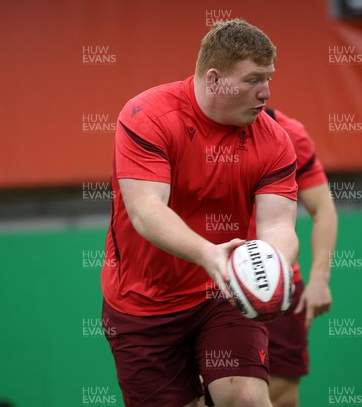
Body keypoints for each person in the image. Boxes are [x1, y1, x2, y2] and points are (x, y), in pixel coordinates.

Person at [100, 19, 298, 407]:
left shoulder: (274, 141)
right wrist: (211, 255)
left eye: (269, 79)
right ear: (214, 79)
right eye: (253, 80)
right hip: (142, 304)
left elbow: (278, 225)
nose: (266, 93)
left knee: (247, 401)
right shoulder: (148, 116)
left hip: (222, 293)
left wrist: (271, 269)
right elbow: (146, 211)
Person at [262, 108, 337, 407]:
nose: (261, 90)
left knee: (282, 396)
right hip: (209, 285)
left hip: (281, 286)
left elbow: (324, 211)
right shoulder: (192, 132)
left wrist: (320, 278)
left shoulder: (289, 133)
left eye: (264, 78)